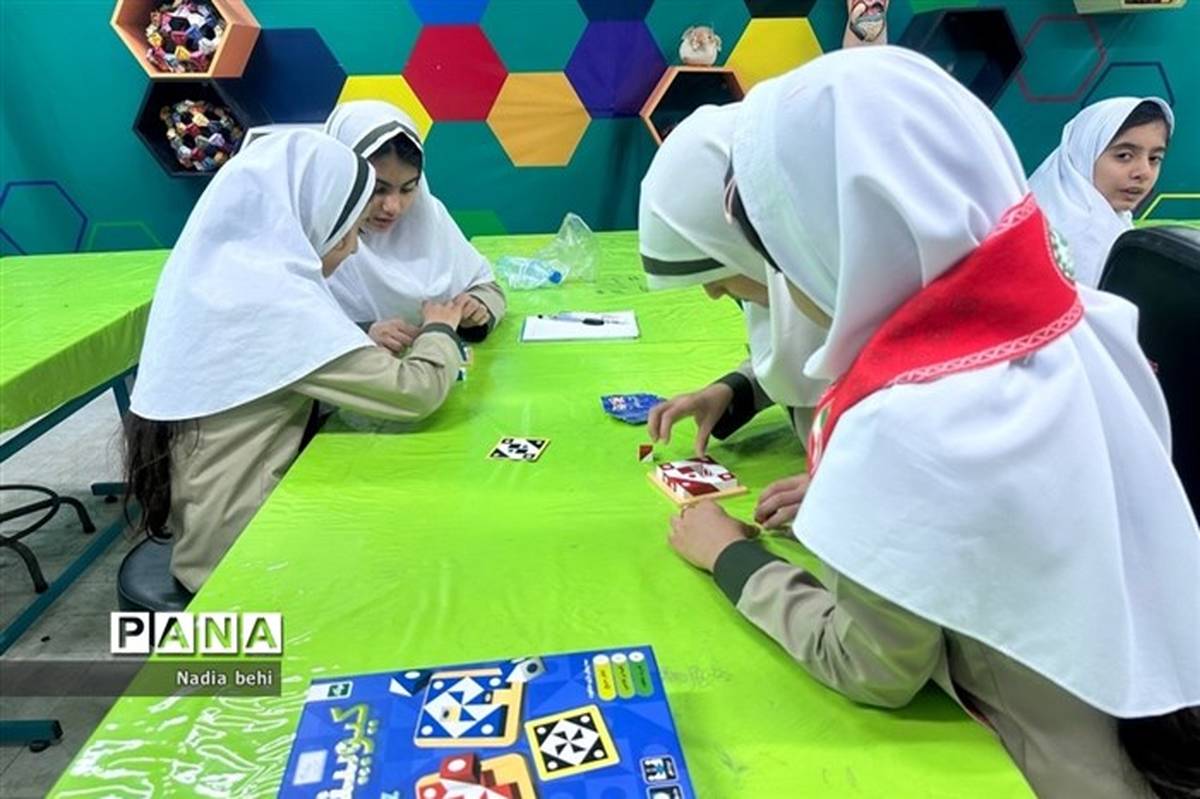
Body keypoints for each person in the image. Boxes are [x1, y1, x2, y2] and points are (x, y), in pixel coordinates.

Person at [670, 47, 1200, 797]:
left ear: (841, 240)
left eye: (783, 258)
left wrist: (732, 557)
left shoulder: (900, 421)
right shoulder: (1084, 316)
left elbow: (874, 667)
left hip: (1051, 772)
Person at [124, 130, 467, 592]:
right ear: (305, 219)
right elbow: (414, 391)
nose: (352, 247)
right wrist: (440, 329)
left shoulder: (224, 273)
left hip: (212, 520)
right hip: (245, 560)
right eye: (348, 231)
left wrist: (361, 335)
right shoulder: (276, 301)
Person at [638, 101, 827, 530]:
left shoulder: (913, 327)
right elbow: (807, 349)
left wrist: (846, 491)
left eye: (720, 269)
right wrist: (731, 390)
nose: (712, 292)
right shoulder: (806, 278)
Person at [324, 100, 506, 352]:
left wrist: (475, 308)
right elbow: (291, 328)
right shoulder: (318, 236)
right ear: (345, 176)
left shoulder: (429, 217)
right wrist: (362, 333)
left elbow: (487, 286)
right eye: (378, 189)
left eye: (408, 188)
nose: (393, 207)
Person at [1030, 97, 1173, 288]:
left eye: (1154, 158)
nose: (1143, 172)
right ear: (1083, 154)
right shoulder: (1077, 239)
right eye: (1124, 156)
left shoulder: (1113, 221)